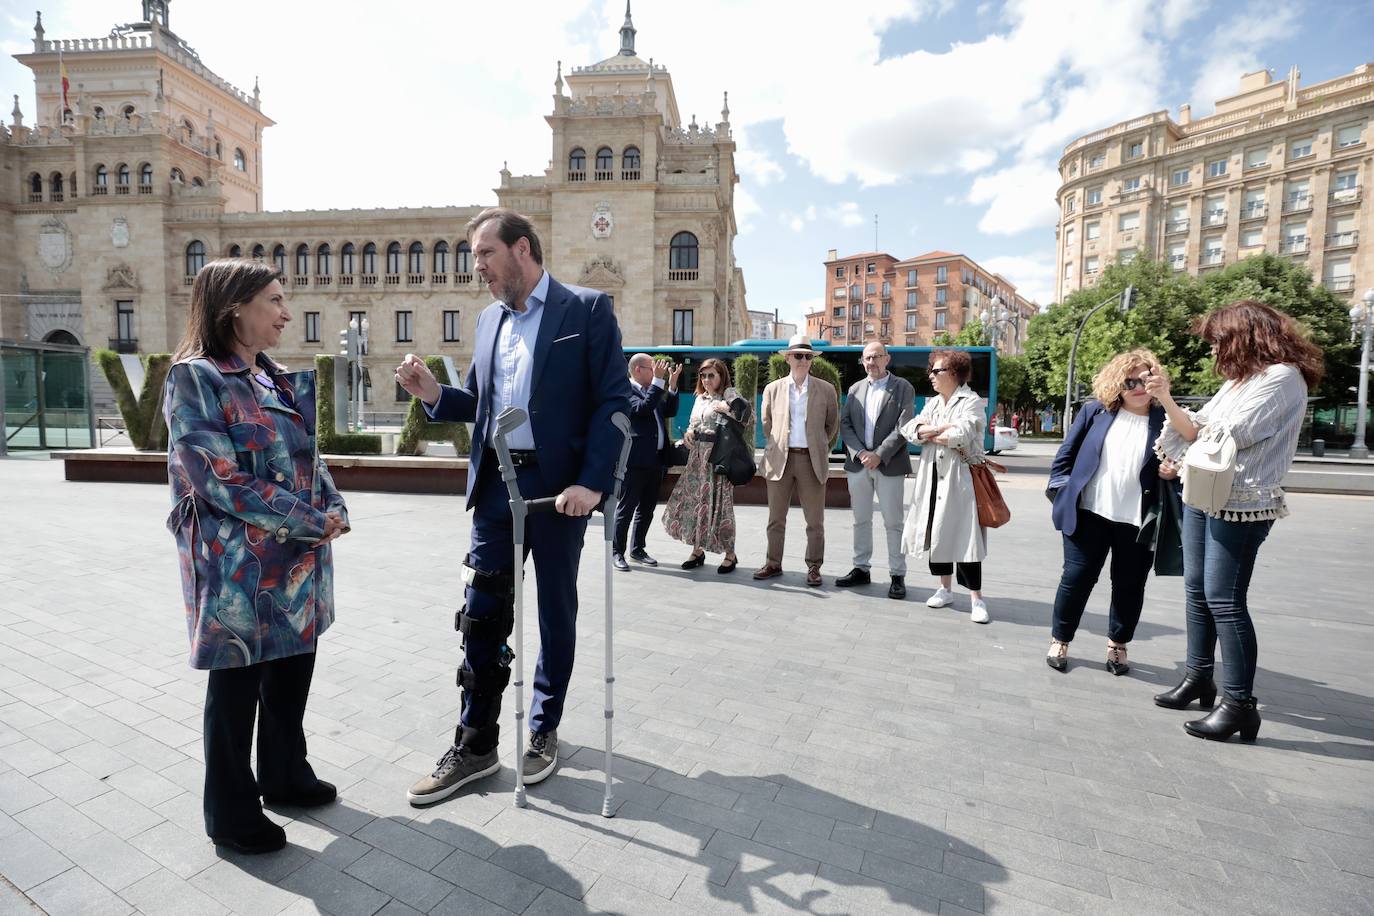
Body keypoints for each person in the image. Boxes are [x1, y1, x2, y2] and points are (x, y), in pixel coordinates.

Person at [395, 208, 630, 803]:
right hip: (497, 489)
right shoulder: (488, 320)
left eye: (484, 254)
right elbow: (479, 403)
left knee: (555, 610)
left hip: (560, 495)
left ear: (521, 249)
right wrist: (433, 396)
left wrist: (593, 483)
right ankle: (476, 743)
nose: (477, 268)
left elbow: (612, 402)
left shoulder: (586, 310)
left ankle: (543, 726)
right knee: (482, 612)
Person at [164, 258, 349, 854]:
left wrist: (333, 505)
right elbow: (216, 477)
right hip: (235, 564)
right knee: (237, 686)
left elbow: (306, 457)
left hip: (293, 561)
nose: (286, 312)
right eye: (273, 300)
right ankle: (231, 810)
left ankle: (284, 774)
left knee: (294, 670)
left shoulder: (273, 377)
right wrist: (306, 519)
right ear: (234, 307)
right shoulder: (196, 378)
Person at [1148, 300, 1322, 742]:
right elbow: (1198, 427)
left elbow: (1228, 434)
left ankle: (1240, 704)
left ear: (1244, 337)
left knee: (1224, 599)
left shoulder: (1282, 378)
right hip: (1205, 493)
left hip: (1243, 502)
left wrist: (1188, 442)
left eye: (1218, 341)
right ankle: (1199, 678)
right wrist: (1168, 400)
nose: (1213, 351)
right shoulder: (1240, 380)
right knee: (1197, 591)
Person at [1046, 349, 1174, 674]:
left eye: (1145, 379)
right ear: (1117, 383)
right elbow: (1064, 458)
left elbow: (1186, 460)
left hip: (1138, 521)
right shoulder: (1094, 412)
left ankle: (1117, 645)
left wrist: (1175, 471)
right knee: (1076, 579)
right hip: (1088, 514)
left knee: (1129, 585)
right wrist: (1062, 492)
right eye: (1129, 380)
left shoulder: (1168, 420)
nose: (1137, 387)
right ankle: (1060, 639)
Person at [899, 350, 991, 623]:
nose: (931, 376)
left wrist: (931, 431)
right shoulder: (934, 403)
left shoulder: (971, 401)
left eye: (936, 371)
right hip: (932, 476)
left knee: (965, 536)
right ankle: (944, 587)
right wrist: (933, 429)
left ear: (954, 373)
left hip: (959, 478)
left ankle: (977, 598)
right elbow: (910, 430)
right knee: (935, 529)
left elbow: (960, 435)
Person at [754, 335, 839, 587]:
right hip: (781, 458)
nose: (803, 360)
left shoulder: (826, 389)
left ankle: (814, 566)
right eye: (798, 355)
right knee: (775, 518)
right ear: (788, 358)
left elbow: (831, 425)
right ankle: (773, 563)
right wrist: (780, 442)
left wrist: (817, 444)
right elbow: (767, 423)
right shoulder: (773, 388)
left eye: (808, 356)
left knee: (815, 521)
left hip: (811, 460)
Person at [836, 341, 915, 599]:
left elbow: (903, 426)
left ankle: (897, 575)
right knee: (861, 519)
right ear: (863, 360)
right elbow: (845, 423)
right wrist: (860, 453)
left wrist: (879, 455)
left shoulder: (903, 387)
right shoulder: (855, 389)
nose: (872, 362)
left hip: (889, 465)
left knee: (893, 522)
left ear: (887, 359)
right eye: (867, 358)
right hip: (858, 465)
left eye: (876, 357)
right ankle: (861, 568)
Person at [662, 358, 750, 572]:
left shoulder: (728, 394)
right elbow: (694, 424)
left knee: (721, 506)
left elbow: (747, 416)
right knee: (694, 503)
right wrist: (690, 433)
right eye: (703, 375)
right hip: (697, 459)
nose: (707, 379)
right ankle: (697, 550)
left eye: (712, 375)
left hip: (717, 457)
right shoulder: (700, 398)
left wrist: (727, 409)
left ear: (721, 376)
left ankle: (730, 554)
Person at [612, 354, 681, 571]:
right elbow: (642, 408)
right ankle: (617, 551)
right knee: (626, 508)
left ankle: (637, 549)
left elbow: (669, 411)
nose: (656, 372)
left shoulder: (654, 389)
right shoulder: (624, 390)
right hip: (635, 461)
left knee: (647, 509)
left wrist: (672, 385)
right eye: (653, 368)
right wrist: (659, 383)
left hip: (655, 460)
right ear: (638, 370)